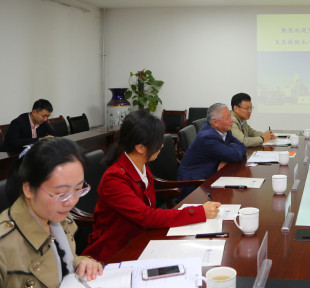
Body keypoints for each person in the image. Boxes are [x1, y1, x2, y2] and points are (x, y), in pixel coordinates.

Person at [82, 111, 221, 263]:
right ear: (140, 147)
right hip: (114, 253)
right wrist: (198, 212)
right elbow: (146, 216)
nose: (162, 145)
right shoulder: (114, 178)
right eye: (157, 141)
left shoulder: (141, 166)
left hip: (141, 239)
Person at [0, 138, 103, 288]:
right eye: (61, 193)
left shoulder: (59, 219)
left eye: (78, 189)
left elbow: (62, 260)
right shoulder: (4, 245)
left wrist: (82, 262)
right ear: (28, 189)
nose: (71, 202)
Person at [178, 103, 246, 184]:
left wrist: (227, 158)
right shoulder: (207, 138)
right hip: (194, 182)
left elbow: (243, 147)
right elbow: (236, 155)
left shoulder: (225, 131)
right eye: (228, 117)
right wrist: (229, 154)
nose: (232, 120)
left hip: (212, 176)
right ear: (215, 123)